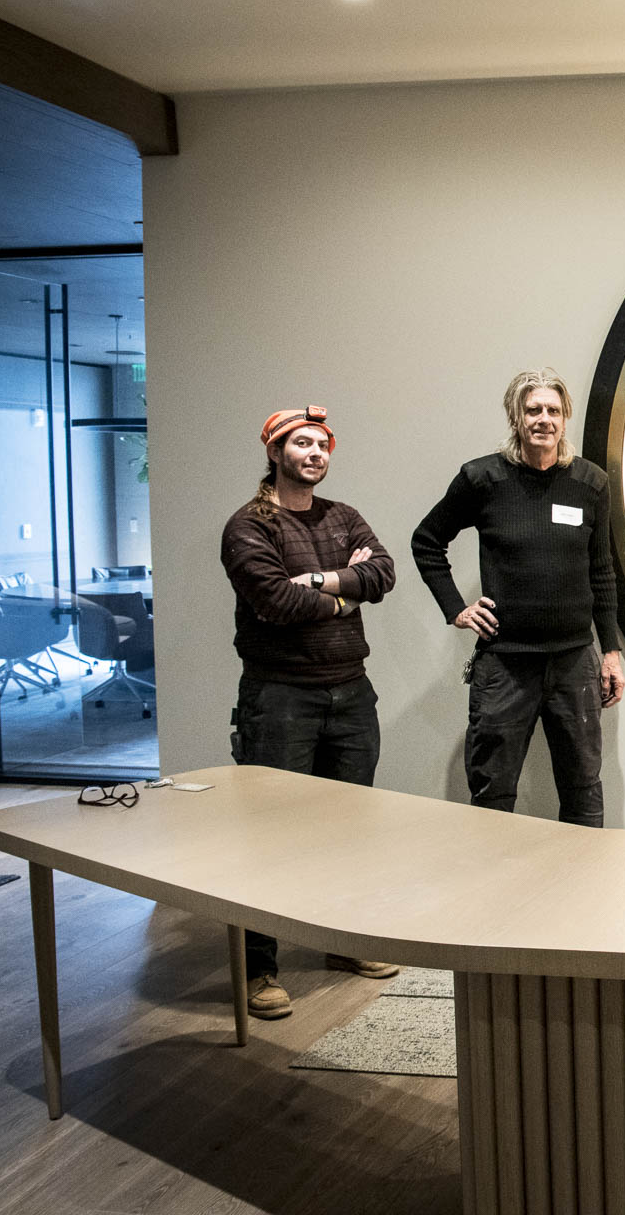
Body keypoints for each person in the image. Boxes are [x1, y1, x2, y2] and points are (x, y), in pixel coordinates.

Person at [220, 405, 400, 1020]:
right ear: (275, 452)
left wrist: (319, 581)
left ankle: (343, 942)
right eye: (301, 443)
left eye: (322, 444)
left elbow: (382, 573)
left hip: (351, 693)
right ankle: (258, 968)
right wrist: (346, 593)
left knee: (349, 830)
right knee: (270, 836)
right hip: (279, 698)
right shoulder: (250, 525)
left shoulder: (342, 516)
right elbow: (274, 602)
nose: (315, 453)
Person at [412, 370, 624, 822]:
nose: (544, 419)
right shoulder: (482, 478)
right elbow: (427, 542)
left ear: (565, 418)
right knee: (492, 792)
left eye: (553, 410)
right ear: (516, 417)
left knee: (584, 788)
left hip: (574, 661)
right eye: (533, 410)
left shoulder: (590, 482)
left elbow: (602, 572)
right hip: (504, 664)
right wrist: (457, 610)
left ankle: (587, 869)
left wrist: (611, 653)